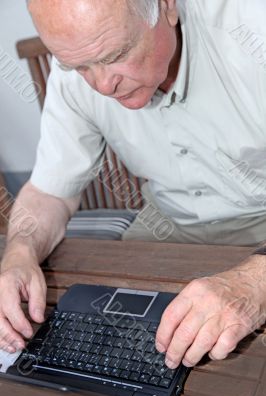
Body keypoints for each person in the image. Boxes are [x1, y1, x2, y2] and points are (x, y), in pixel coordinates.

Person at [0, 0, 266, 371]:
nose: (103, 85)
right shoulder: (79, 74)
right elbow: (49, 192)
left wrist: (255, 282)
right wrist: (19, 253)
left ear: (167, 7)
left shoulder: (252, 26)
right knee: (106, 355)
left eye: (117, 54)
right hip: (169, 224)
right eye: (77, 66)